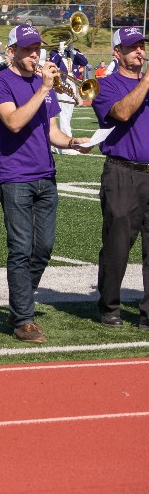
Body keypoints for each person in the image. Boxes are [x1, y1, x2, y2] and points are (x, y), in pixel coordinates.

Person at [0, 25, 90, 344]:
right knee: (21, 248)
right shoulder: (0, 82)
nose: (35, 54)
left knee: (43, 248)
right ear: (12, 51)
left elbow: (51, 131)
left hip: (46, 173)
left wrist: (72, 142)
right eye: (28, 49)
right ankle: (24, 320)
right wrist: (44, 90)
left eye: (37, 49)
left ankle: (19, 306)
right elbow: (14, 122)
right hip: (15, 175)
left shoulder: (42, 82)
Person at [92, 27, 149, 330]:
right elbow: (123, 113)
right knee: (117, 244)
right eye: (132, 47)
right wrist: (147, 81)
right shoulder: (106, 84)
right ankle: (109, 306)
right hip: (123, 171)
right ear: (117, 53)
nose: (140, 51)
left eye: (142, 46)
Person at [48, 42, 89, 155]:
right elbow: (53, 63)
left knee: (67, 115)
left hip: (72, 85)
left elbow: (84, 62)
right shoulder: (55, 52)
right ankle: (66, 147)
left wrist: (74, 51)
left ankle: (56, 147)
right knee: (64, 115)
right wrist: (61, 51)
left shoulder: (74, 52)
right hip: (61, 84)